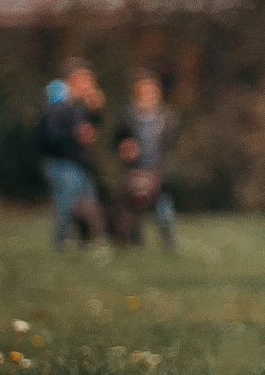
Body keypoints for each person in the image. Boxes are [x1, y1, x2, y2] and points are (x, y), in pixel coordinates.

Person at [38, 63, 106, 250]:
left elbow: (88, 131)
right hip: (61, 164)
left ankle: (85, 244)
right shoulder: (58, 103)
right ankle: (59, 245)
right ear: (74, 80)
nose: (91, 85)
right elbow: (50, 135)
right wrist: (75, 135)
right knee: (66, 207)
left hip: (77, 164)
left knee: (88, 204)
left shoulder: (77, 106)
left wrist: (95, 111)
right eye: (87, 80)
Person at [112, 72, 177, 248]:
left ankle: (168, 243)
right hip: (135, 169)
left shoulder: (166, 115)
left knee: (163, 208)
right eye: (144, 88)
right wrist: (125, 148)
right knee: (134, 209)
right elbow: (117, 140)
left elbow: (170, 145)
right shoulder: (127, 114)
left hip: (157, 169)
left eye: (151, 88)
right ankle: (136, 244)